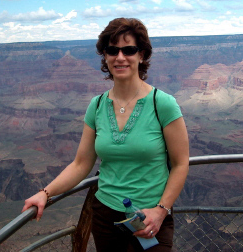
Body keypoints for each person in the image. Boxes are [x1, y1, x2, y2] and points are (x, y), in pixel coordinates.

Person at [22, 17, 189, 252]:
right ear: (105, 56)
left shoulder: (162, 104)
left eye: (128, 50)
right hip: (105, 217)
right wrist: (45, 193)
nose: (120, 57)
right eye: (112, 50)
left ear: (142, 55)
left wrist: (161, 210)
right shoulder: (97, 105)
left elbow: (181, 164)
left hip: (150, 217)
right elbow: (81, 164)